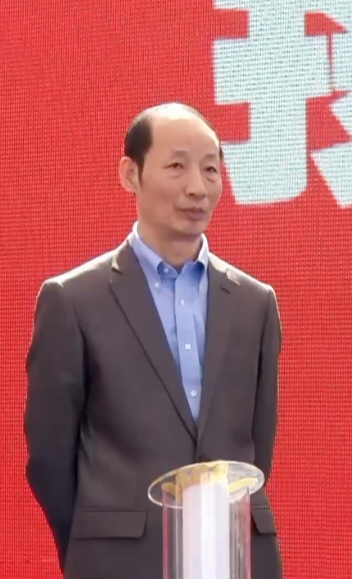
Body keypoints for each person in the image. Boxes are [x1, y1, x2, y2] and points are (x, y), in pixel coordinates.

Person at [24, 103, 283, 579]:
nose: (197, 187)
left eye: (211, 169)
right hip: (118, 561)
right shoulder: (74, 300)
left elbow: (257, 447)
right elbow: (49, 457)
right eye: (177, 166)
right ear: (131, 174)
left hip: (235, 558)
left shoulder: (255, 302)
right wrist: (94, 540)